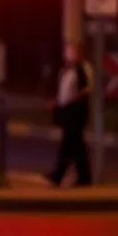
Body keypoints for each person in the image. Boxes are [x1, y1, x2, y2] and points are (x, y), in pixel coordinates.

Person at [47, 43, 93, 186]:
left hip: (76, 110)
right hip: (66, 109)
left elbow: (87, 88)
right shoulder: (66, 69)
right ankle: (84, 177)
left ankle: (58, 175)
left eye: (72, 51)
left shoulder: (83, 68)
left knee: (68, 143)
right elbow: (63, 89)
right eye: (68, 50)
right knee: (76, 145)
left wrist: (76, 98)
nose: (69, 53)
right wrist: (57, 102)